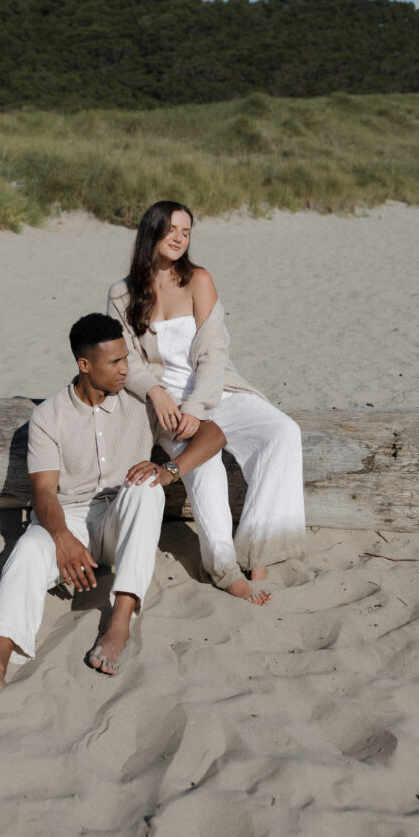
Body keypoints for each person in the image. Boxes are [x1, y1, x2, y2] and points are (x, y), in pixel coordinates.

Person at [0, 313, 225, 702]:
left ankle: (119, 623)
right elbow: (44, 492)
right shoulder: (49, 415)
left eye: (125, 358)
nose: (126, 369)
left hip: (122, 522)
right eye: (115, 362)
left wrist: (169, 470)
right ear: (84, 364)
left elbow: (213, 434)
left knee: (146, 487)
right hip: (71, 520)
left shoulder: (143, 402)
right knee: (26, 550)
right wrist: (61, 536)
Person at [107, 200, 306, 605]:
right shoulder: (122, 293)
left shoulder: (198, 280)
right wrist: (157, 394)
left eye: (186, 232)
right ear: (152, 231)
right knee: (206, 465)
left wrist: (197, 408)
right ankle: (225, 568)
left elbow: (214, 354)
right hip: (165, 407)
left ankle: (258, 551)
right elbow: (126, 359)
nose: (180, 238)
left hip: (216, 392)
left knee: (283, 433)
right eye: (172, 230)